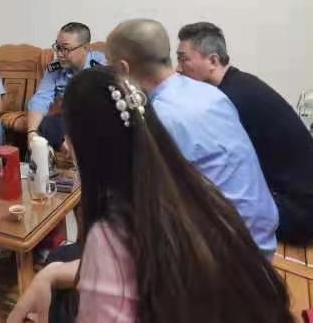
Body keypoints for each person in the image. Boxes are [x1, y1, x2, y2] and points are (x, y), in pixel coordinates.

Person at [8, 67, 292, 323]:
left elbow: (122, 262)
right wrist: (52, 273)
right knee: (61, 258)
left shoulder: (112, 232)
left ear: (81, 147)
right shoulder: (193, 187)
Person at [107, 19, 278, 255]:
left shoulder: (161, 117)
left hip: (231, 255)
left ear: (123, 69)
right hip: (262, 235)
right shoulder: (209, 92)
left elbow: (146, 200)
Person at [177, 22, 313, 243]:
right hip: (308, 204)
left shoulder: (231, 100)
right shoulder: (240, 84)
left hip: (298, 213)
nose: (178, 69)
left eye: (183, 59)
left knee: (191, 218)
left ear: (212, 61)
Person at [26, 22, 105, 151]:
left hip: (94, 120)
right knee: (46, 123)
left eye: (66, 49)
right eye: (58, 47)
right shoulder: (55, 68)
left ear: (86, 48)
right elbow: (41, 99)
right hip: (66, 119)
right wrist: (31, 133)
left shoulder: (102, 67)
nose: (59, 54)